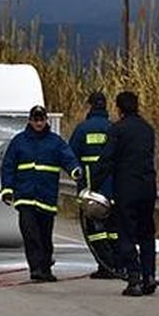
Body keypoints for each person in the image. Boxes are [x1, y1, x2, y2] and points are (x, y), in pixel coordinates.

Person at [0, 105, 81, 282]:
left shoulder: (55, 142)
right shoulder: (19, 141)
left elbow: (68, 158)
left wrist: (75, 171)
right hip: (25, 197)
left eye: (41, 119)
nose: (38, 123)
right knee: (30, 233)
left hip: (46, 197)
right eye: (35, 119)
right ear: (30, 120)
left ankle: (45, 268)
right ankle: (36, 268)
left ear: (46, 120)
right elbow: (8, 166)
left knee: (45, 235)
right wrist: (7, 189)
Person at [93, 91, 158, 297]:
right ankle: (150, 276)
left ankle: (134, 278)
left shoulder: (117, 130)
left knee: (126, 233)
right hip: (148, 188)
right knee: (147, 232)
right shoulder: (147, 129)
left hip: (127, 189)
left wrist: (92, 185)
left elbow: (106, 160)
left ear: (119, 108)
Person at [69, 91, 121, 279]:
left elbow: (70, 157)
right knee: (113, 229)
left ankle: (106, 265)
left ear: (90, 106)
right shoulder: (113, 128)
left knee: (94, 231)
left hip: (91, 190)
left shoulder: (82, 129)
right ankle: (118, 264)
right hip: (114, 190)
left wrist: (79, 182)